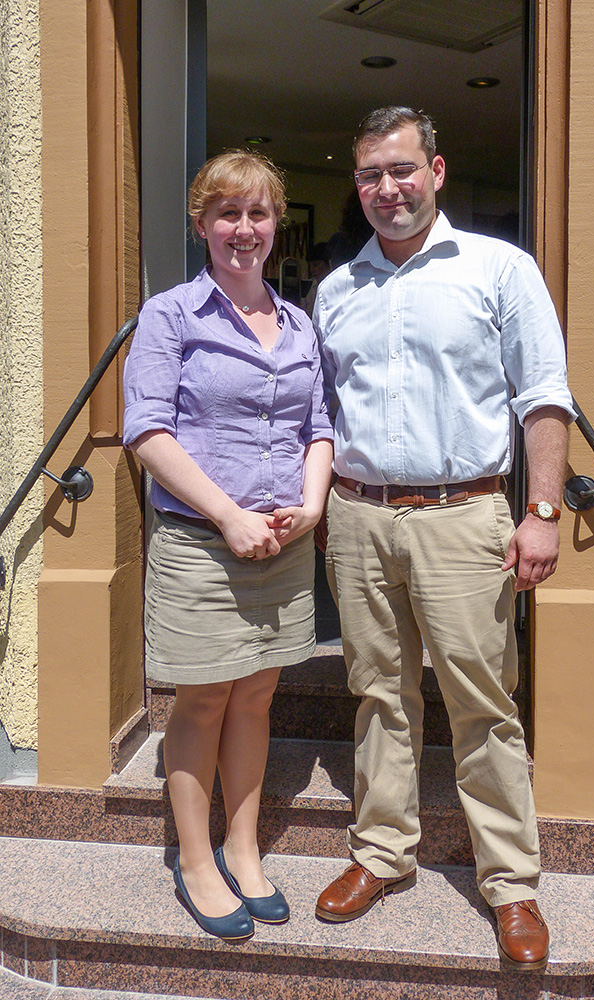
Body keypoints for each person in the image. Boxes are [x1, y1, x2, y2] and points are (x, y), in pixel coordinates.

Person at [312, 108, 575, 971]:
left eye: (400, 170)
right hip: (357, 516)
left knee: (481, 703)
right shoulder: (336, 288)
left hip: (464, 516)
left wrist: (541, 512)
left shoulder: (498, 269)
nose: (385, 189)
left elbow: (542, 394)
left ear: (436, 170)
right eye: (368, 176)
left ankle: (510, 884)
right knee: (378, 693)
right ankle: (381, 854)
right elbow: (320, 413)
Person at [123, 150, 333, 940]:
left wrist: (310, 505)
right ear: (202, 223)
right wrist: (227, 515)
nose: (243, 229)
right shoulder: (171, 315)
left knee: (256, 696)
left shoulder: (300, 322)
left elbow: (317, 427)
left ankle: (244, 849)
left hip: (283, 545)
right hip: (202, 544)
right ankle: (196, 858)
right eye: (226, 214)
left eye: (257, 213)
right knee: (204, 698)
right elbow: (146, 428)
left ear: (276, 223)